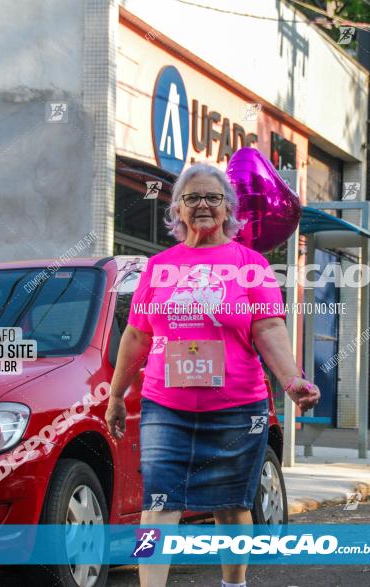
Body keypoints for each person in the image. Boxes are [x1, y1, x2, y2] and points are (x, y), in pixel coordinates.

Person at [105, 163, 320, 587]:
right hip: (166, 406)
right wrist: (116, 396)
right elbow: (135, 334)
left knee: (231, 505)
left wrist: (292, 380)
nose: (202, 204)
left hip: (237, 407)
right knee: (158, 504)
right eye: (192, 198)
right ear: (178, 212)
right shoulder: (159, 267)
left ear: (228, 210)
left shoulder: (250, 264)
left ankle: (233, 582)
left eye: (212, 197)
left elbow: (269, 328)